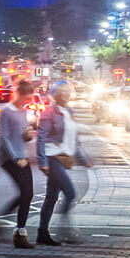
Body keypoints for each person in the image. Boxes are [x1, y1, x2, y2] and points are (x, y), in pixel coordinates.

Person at [35, 79, 86, 246]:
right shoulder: (49, 112)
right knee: (70, 193)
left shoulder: (68, 112)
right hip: (52, 157)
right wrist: (42, 161)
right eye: (63, 91)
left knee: (51, 197)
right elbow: (41, 138)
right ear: (56, 93)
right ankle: (64, 230)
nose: (66, 93)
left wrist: (82, 158)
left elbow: (72, 138)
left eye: (68, 90)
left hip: (62, 157)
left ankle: (42, 233)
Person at [0, 79, 40, 248]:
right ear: (17, 94)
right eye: (25, 99)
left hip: (22, 155)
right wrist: (15, 158)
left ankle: (9, 224)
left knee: (27, 194)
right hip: (9, 158)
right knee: (26, 192)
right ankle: (20, 234)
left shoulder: (24, 112)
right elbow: (5, 138)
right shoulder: (6, 111)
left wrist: (28, 135)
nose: (27, 102)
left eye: (29, 100)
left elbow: (21, 136)